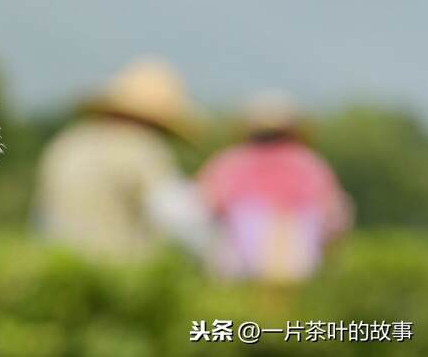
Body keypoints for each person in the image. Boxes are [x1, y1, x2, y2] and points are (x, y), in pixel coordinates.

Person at [33, 59, 211, 259]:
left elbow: (42, 219)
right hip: (115, 277)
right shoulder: (142, 148)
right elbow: (180, 219)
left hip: (58, 268)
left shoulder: (66, 144)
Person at [197, 92, 352, 283]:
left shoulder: (230, 162)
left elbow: (207, 204)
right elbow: (334, 215)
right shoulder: (309, 164)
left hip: (238, 266)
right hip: (301, 259)